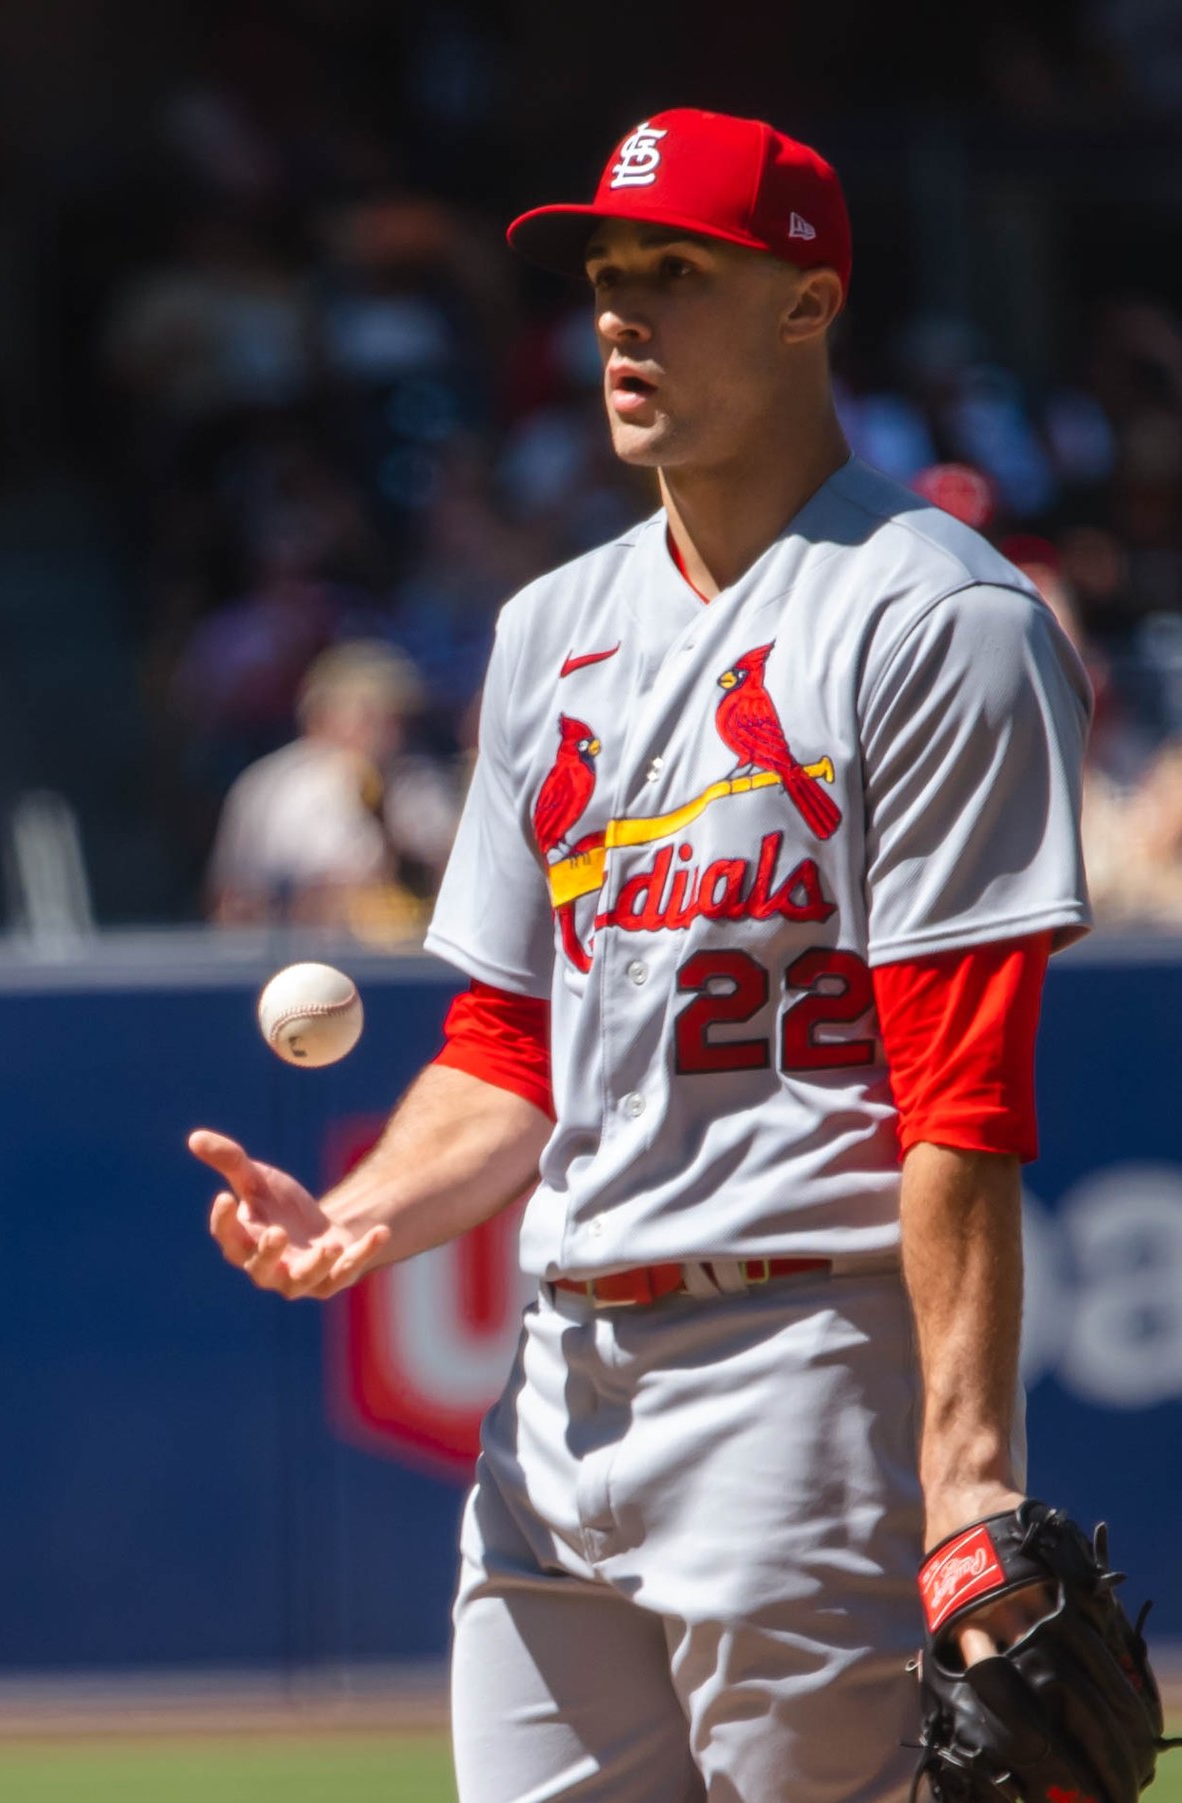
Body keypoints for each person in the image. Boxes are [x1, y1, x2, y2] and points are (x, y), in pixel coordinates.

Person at [190, 108, 1091, 1803]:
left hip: (803, 1366)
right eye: (607, 274)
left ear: (808, 301)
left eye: (675, 272)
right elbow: (514, 1042)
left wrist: (967, 1479)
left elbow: (960, 1079)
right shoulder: (549, 630)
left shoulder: (932, 617)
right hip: (556, 1389)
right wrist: (366, 1211)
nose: (619, 312)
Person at [206, 639, 458, 934]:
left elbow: (453, 882)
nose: (389, 730)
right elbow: (232, 900)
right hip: (297, 958)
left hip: (404, 965)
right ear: (322, 714)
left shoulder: (420, 781)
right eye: (370, 714)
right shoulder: (273, 786)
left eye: (395, 716)